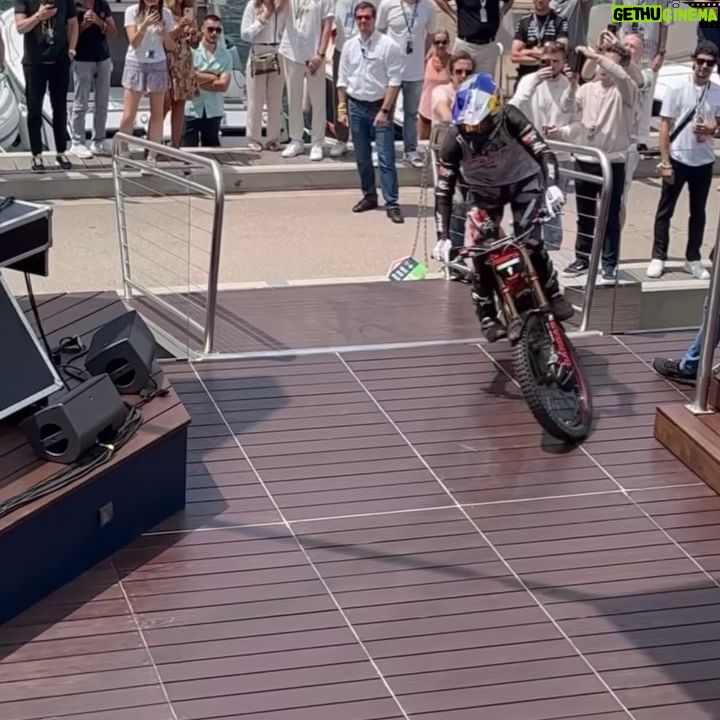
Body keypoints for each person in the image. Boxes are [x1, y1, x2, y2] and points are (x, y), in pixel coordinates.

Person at [433, 72, 571, 342]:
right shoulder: (454, 138)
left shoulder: (510, 117)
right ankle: (487, 314)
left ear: (495, 114)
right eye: (467, 126)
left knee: (530, 240)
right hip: (484, 192)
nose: (473, 131)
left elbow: (543, 151)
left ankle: (552, 293)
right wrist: (443, 236)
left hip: (524, 182)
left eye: (480, 124)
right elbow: (443, 189)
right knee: (482, 250)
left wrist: (552, 185)